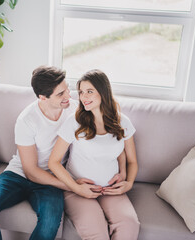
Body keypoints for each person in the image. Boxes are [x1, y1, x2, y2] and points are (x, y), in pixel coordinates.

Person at [0, 66, 77, 240]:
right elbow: (30, 171)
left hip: (51, 177)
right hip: (19, 174)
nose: (68, 96)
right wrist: (72, 186)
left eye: (67, 89)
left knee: (51, 219)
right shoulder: (27, 119)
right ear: (43, 97)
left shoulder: (74, 110)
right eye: (60, 94)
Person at [48, 69, 140, 240]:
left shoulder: (123, 122)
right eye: (81, 92)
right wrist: (76, 187)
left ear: (103, 92)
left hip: (110, 189)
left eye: (89, 91)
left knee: (130, 224)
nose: (84, 97)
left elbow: (132, 160)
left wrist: (128, 182)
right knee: (97, 233)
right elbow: (53, 162)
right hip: (77, 189)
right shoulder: (74, 122)